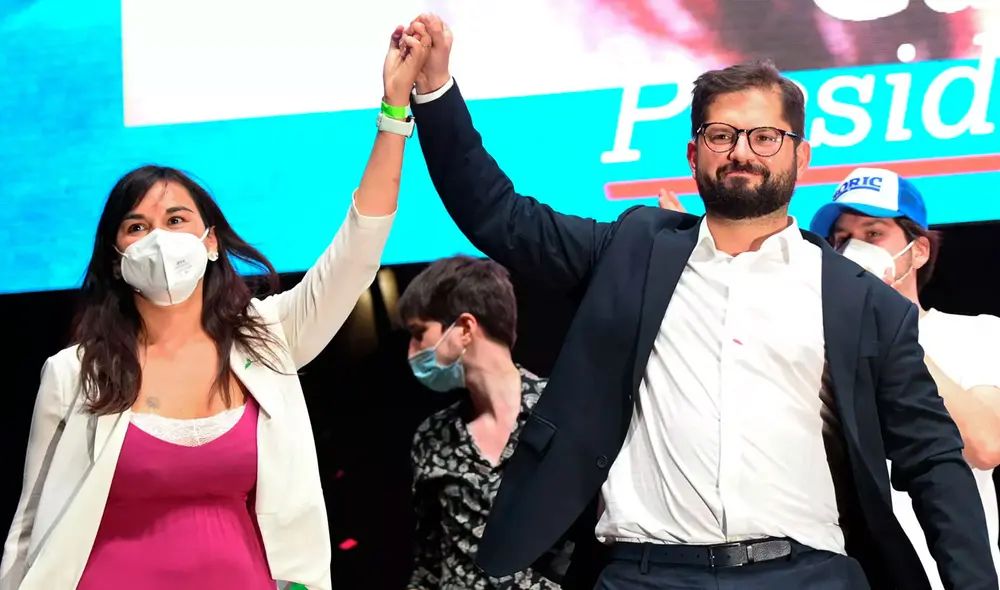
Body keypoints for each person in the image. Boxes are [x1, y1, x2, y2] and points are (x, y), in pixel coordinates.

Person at [402, 13, 997, 590]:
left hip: (807, 573)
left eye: (766, 136)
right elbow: (498, 214)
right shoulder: (632, 250)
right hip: (644, 573)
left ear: (801, 155)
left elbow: (933, 462)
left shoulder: (860, 299)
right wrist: (434, 92)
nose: (742, 151)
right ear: (694, 155)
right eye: (722, 135)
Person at [0, 23, 431, 590]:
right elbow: (29, 532)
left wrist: (394, 111)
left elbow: (358, 250)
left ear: (209, 242)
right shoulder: (73, 374)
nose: (159, 238)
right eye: (137, 227)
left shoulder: (268, 338)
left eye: (176, 220)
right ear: (114, 258)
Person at [809, 167, 1000, 589]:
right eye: (842, 239)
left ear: (918, 252)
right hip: (843, 571)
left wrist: (887, 330)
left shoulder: (978, 332)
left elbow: (986, 445)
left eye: (873, 234)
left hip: (944, 573)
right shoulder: (821, 344)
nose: (853, 249)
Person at [399, 254, 568, 589]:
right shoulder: (433, 437)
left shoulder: (566, 412)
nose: (411, 351)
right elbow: (429, 560)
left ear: (464, 328)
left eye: (420, 333)